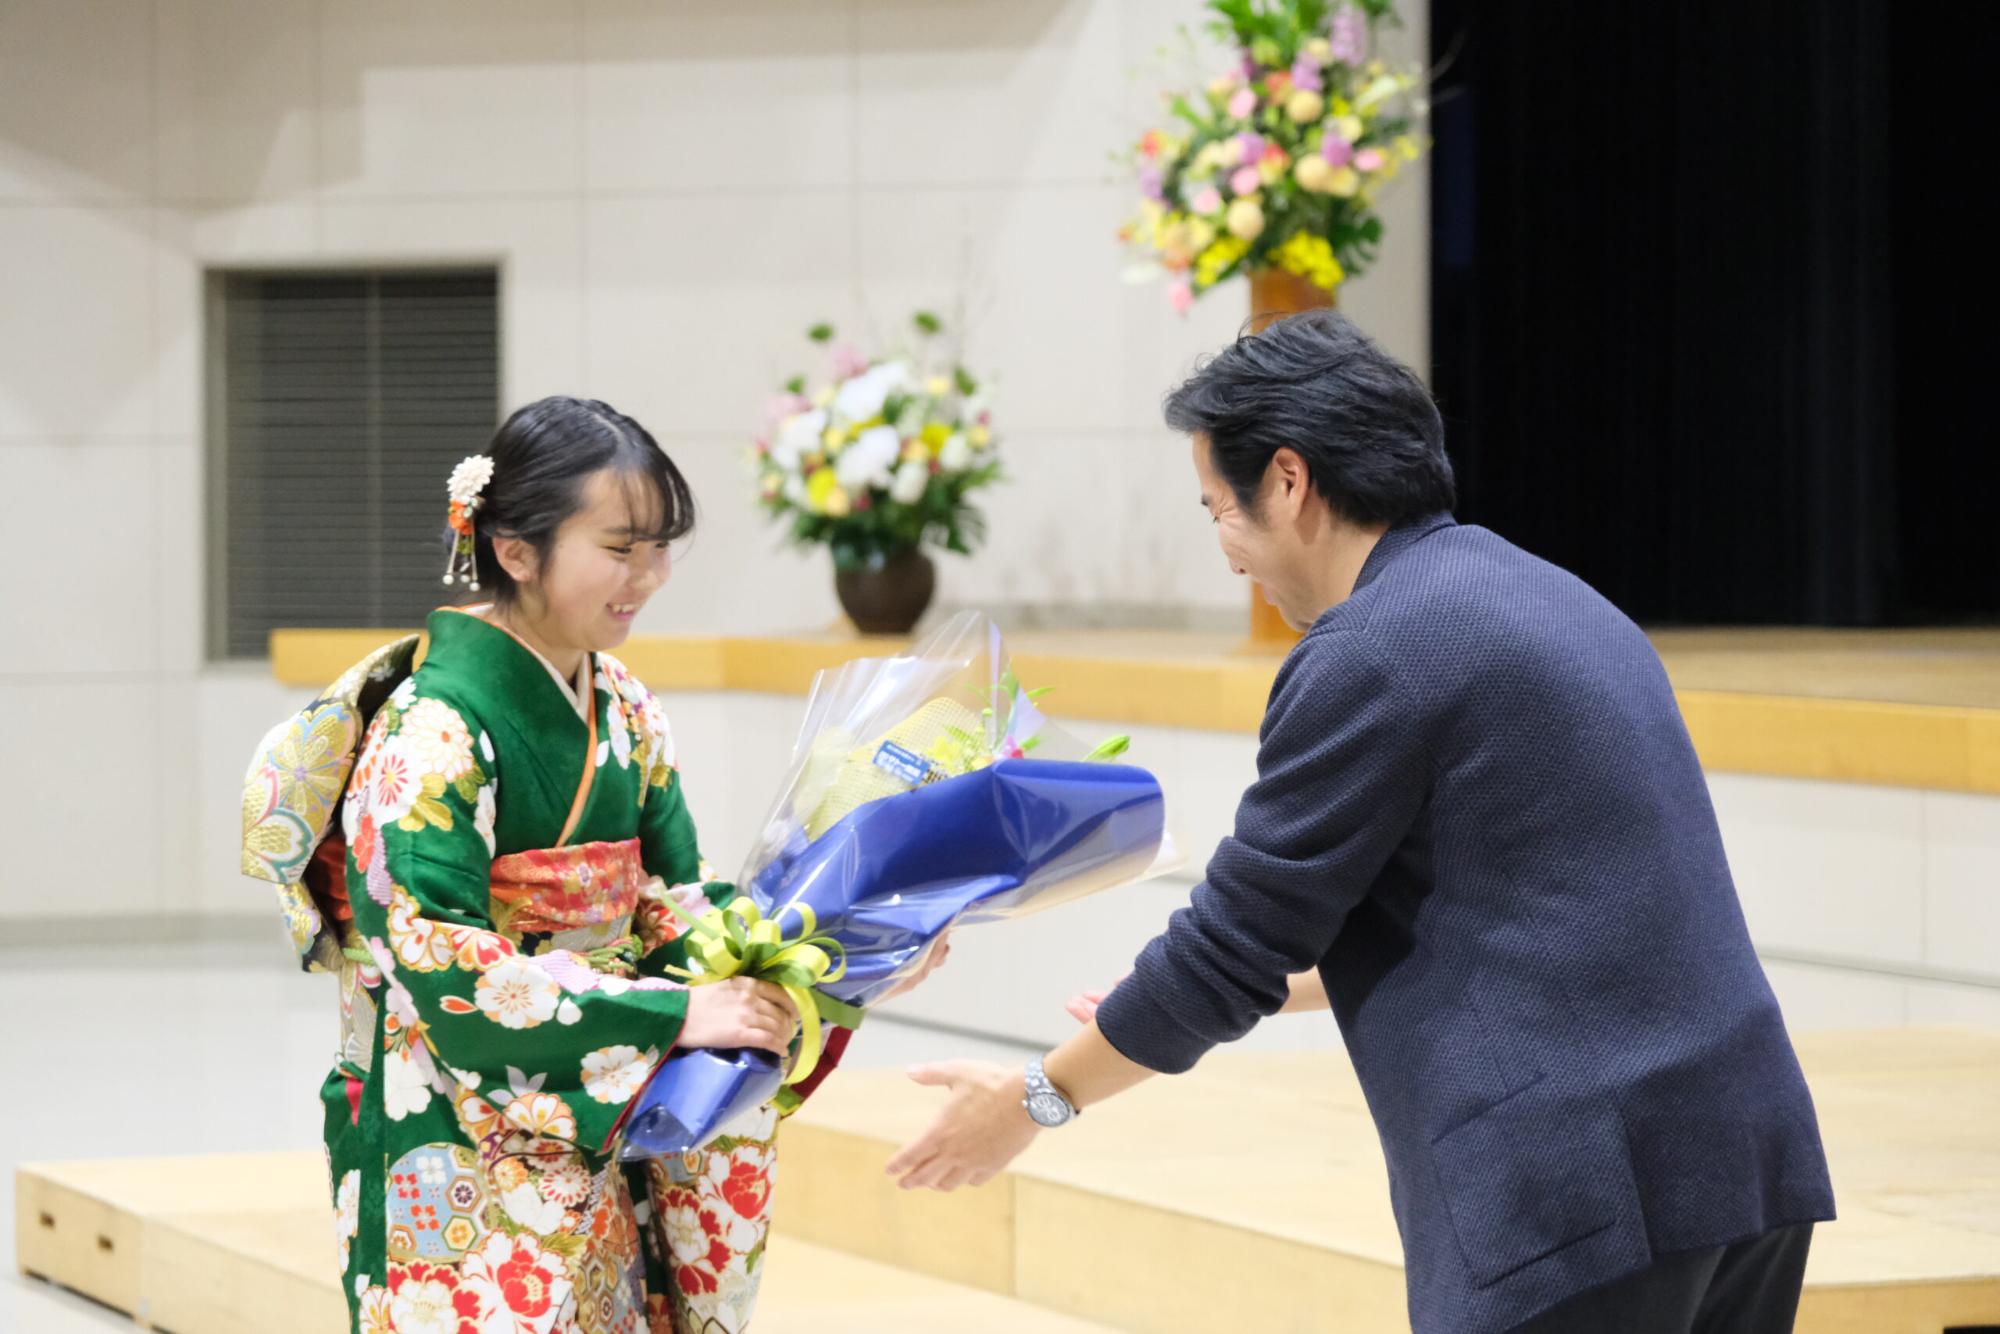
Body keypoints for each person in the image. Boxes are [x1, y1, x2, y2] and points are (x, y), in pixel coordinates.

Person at [883, 312, 1836, 1333]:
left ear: (1286, 481)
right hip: (1742, 1158)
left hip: (1580, 1189)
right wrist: (1218, 995)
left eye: (1217, 509)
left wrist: (1037, 1097)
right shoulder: (1549, 594)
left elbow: (1228, 949)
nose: (1227, 555)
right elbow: (1510, 906)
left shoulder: (1374, 649)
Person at [247, 397, 829, 1334]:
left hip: (605, 1086)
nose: (649, 576)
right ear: (516, 551)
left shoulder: (625, 705)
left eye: (662, 547)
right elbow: (441, 967)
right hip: (457, 1116)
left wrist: (823, 947)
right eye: (622, 548)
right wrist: (673, 1013)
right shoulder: (431, 731)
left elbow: (674, 903)